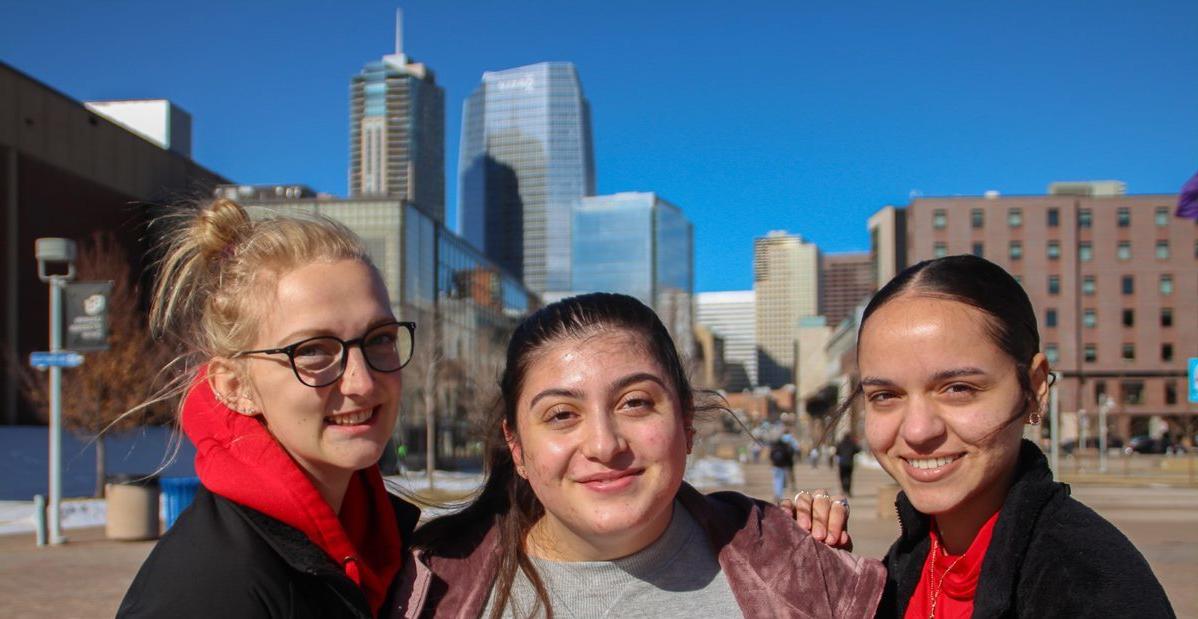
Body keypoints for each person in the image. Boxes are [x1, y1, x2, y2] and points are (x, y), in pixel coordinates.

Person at [391, 293, 885, 618]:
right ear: (516, 446)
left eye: (636, 403)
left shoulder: (797, 574)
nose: (605, 445)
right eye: (561, 414)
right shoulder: (423, 589)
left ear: (686, 423)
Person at [793, 255, 1174, 617]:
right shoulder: (912, 559)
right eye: (886, 396)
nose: (918, 431)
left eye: (958, 388)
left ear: (1035, 387)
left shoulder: (1088, 583)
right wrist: (829, 586)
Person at [117, 199, 420, 618]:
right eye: (313, 350)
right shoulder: (211, 588)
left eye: (381, 338)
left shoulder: (371, 540)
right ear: (234, 385)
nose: (362, 381)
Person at [769, 432, 797, 502]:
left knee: (776, 481)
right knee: (781, 481)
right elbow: (788, 457)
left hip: (775, 467)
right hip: (782, 467)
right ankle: (780, 495)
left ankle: (777, 494)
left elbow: (771, 457)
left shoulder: (774, 448)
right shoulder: (785, 448)